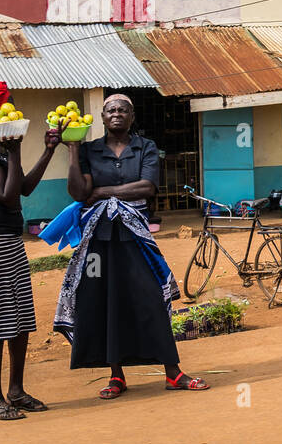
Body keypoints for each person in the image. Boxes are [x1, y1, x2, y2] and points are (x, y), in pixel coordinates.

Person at [53, 95, 206, 399]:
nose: (117, 114)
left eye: (123, 110)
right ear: (103, 116)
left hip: (135, 237)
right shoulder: (88, 150)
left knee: (151, 298)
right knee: (104, 300)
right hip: (99, 241)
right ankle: (116, 375)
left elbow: (147, 187)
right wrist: (72, 149)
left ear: (132, 116)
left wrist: (102, 192)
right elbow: (78, 191)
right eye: (111, 110)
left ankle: (172, 372)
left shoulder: (145, 147)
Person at [0, 82, 61, 420]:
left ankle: (15, 390)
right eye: (10, 106)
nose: (16, 112)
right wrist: (15, 151)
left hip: (9, 241)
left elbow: (25, 189)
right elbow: (7, 196)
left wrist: (48, 150)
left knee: (20, 318)